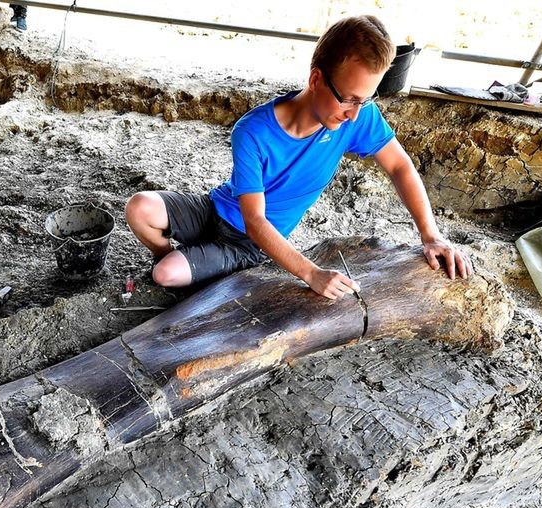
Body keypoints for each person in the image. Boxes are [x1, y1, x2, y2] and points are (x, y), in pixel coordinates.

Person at [125, 15, 472, 300]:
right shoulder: (252, 131)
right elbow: (254, 218)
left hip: (249, 246)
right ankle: (184, 257)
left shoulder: (358, 118)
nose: (354, 114)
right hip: (220, 210)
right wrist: (310, 272)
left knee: (165, 274)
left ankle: (189, 261)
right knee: (139, 207)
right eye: (348, 99)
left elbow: (399, 166)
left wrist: (431, 235)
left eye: (364, 101)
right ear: (316, 78)